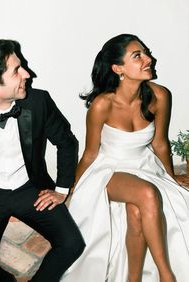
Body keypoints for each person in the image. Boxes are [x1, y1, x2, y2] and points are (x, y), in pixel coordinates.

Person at [0, 39, 85, 282]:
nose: (27, 73)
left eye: (21, 65)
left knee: (72, 244)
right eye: (16, 70)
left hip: (29, 190)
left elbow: (66, 142)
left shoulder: (38, 101)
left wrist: (62, 189)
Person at [61, 34, 189, 282]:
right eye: (137, 56)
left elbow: (160, 143)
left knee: (137, 211)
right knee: (147, 194)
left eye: (146, 53)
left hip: (145, 166)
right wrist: (72, 187)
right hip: (108, 170)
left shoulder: (160, 95)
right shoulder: (102, 105)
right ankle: (166, 276)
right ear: (118, 68)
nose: (148, 59)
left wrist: (171, 178)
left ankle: (133, 279)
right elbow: (90, 154)